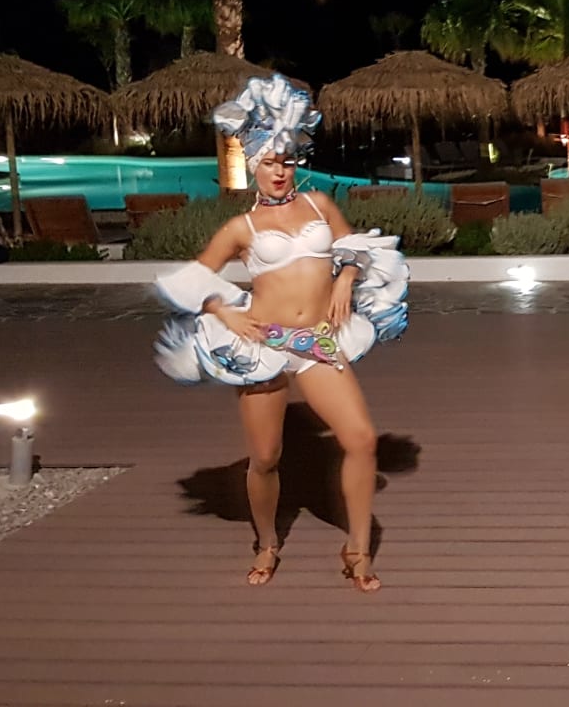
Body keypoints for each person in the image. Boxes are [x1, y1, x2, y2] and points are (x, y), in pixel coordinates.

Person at [151, 74, 409, 588]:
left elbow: (354, 248)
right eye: (269, 162)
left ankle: (358, 551)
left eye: (286, 162)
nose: (279, 171)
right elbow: (194, 279)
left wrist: (345, 278)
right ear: (254, 164)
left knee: (361, 440)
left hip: (316, 342)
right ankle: (267, 542)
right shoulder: (240, 228)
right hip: (263, 343)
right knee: (267, 457)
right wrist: (225, 312)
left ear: (296, 163)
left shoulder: (319, 206)